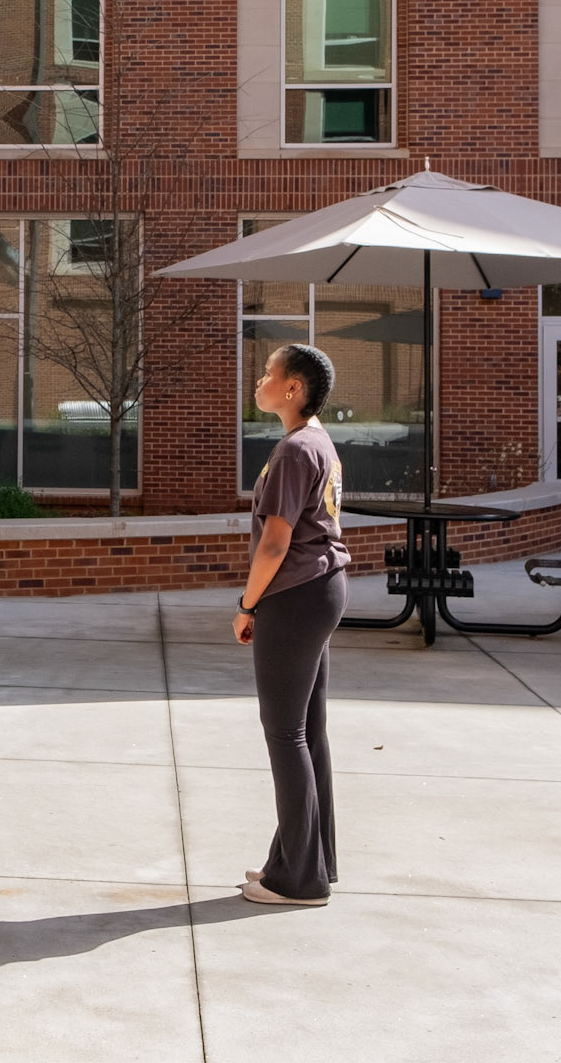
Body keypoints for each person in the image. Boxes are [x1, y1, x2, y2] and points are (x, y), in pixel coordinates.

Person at [233, 342, 350, 907]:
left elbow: (276, 541)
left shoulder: (293, 451)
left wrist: (247, 604)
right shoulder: (317, 440)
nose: (259, 380)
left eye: (268, 373)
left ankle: (299, 880)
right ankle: (308, 861)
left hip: (293, 597)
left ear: (293, 388)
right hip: (320, 592)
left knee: (286, 734)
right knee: (308, 732)